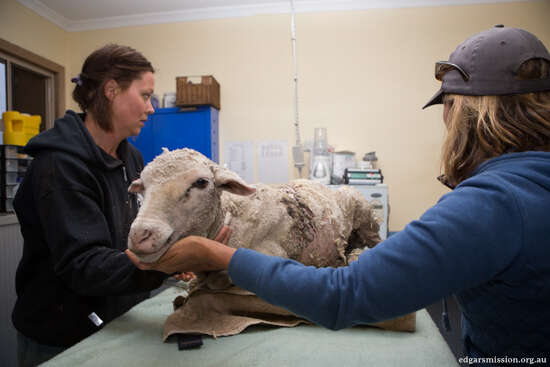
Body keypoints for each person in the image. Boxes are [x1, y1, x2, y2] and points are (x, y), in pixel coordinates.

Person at [128, 26, 550, 361]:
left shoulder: (492, 203)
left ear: (465, 112)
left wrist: (217, 257)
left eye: (448, 110)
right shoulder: (525, 185)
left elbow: (344, 294)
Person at [12, 44, 170, 366]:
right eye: (145, 95)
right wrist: (168, 262)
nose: (151, 108)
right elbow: (85, 266)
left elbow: (134, 234)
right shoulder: (59, 167)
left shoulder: (132, 158)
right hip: (61, 339)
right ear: (111, 90)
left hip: (120, 320)